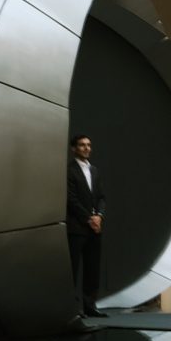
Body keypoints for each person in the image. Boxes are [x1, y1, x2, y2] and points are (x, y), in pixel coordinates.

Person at [65, 133, 104, 319]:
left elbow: (101, 197)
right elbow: (70, 199)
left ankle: (90, 306)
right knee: (73, 269)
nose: (86, 148)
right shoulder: (69, 170)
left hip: (95, 228)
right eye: (82, 145)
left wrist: (99, 216)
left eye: (88, 144)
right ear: (74, 148)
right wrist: (89, 218)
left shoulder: (95, 170)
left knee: (92, 269)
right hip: (77, 227)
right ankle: (72, 309)